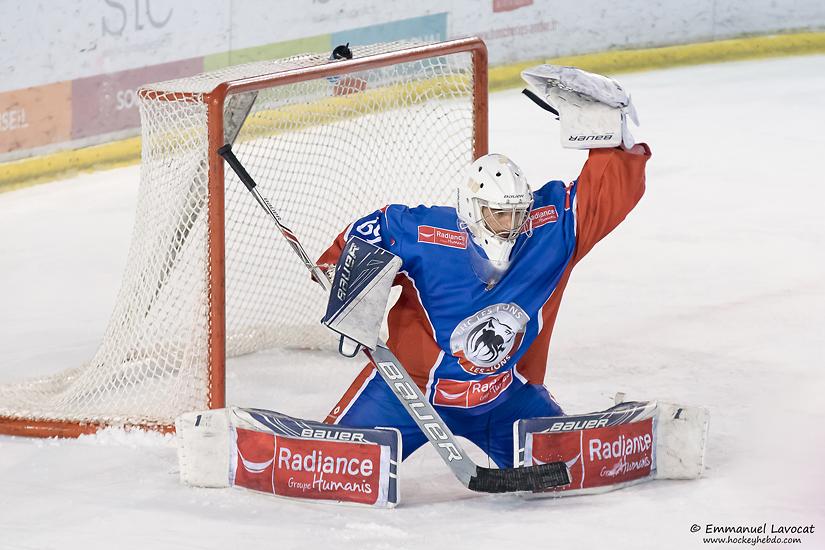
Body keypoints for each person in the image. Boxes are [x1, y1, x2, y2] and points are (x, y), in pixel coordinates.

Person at [317, 84, 651, 469]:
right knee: (333, 464)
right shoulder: (424, 234)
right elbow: (370, 234)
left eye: (517, 213)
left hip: (502, 394)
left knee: (568, 467)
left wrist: (612, 134)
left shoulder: (548, 230)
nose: (511, 225)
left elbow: (603, 195)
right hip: (408, 390)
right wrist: (343, 278)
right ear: (473, 209)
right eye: (498, 214)